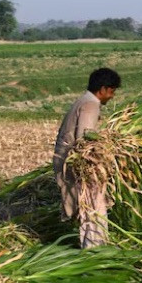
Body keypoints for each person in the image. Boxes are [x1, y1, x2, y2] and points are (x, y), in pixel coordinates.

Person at [54, 67, 121, 248]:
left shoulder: (83, 100)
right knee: (94, 205)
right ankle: (94, 249)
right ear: (103, 89)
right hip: (74, 164)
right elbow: (85, 141)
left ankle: (93, 246)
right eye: (112, 92)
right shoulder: (91, 105)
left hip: (66, 160)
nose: (112, 96)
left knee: (89, 205)